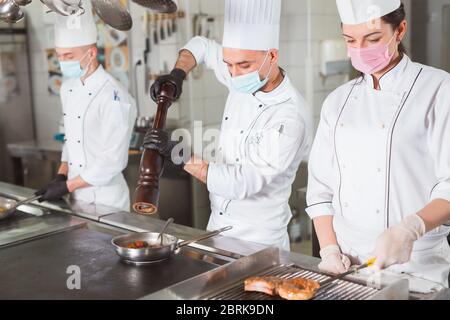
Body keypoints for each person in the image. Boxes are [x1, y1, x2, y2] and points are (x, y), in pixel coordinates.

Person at [145, 0, 312, 250]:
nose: (233, 74)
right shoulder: (241, 75)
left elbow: (241, 182)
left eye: (243, 65)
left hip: (259, 243)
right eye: (228, 64)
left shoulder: (290, 116)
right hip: (217, 229)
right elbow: (199, 46)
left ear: (272, 56)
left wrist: (177, 153)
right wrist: (177, 74)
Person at [306, 0, 450, 286]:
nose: (360, 49)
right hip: (350, 267)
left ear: (400, 30)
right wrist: (329, 249)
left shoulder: (438, 89)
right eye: (350, 40)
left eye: (372, 39)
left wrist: (410, 228)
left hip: (418, 266)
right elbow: (320, 189)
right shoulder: (337, 101)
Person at [35, 11, 137, 211]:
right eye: (59, 55)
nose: (63, 61)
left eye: (69, 56)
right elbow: (70, 138)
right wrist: (61, 175)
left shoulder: (114, 95)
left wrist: (66, 186)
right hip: (76, 197)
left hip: (108, 202)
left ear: (91, 53)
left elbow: (113, 161)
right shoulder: (67, 88)